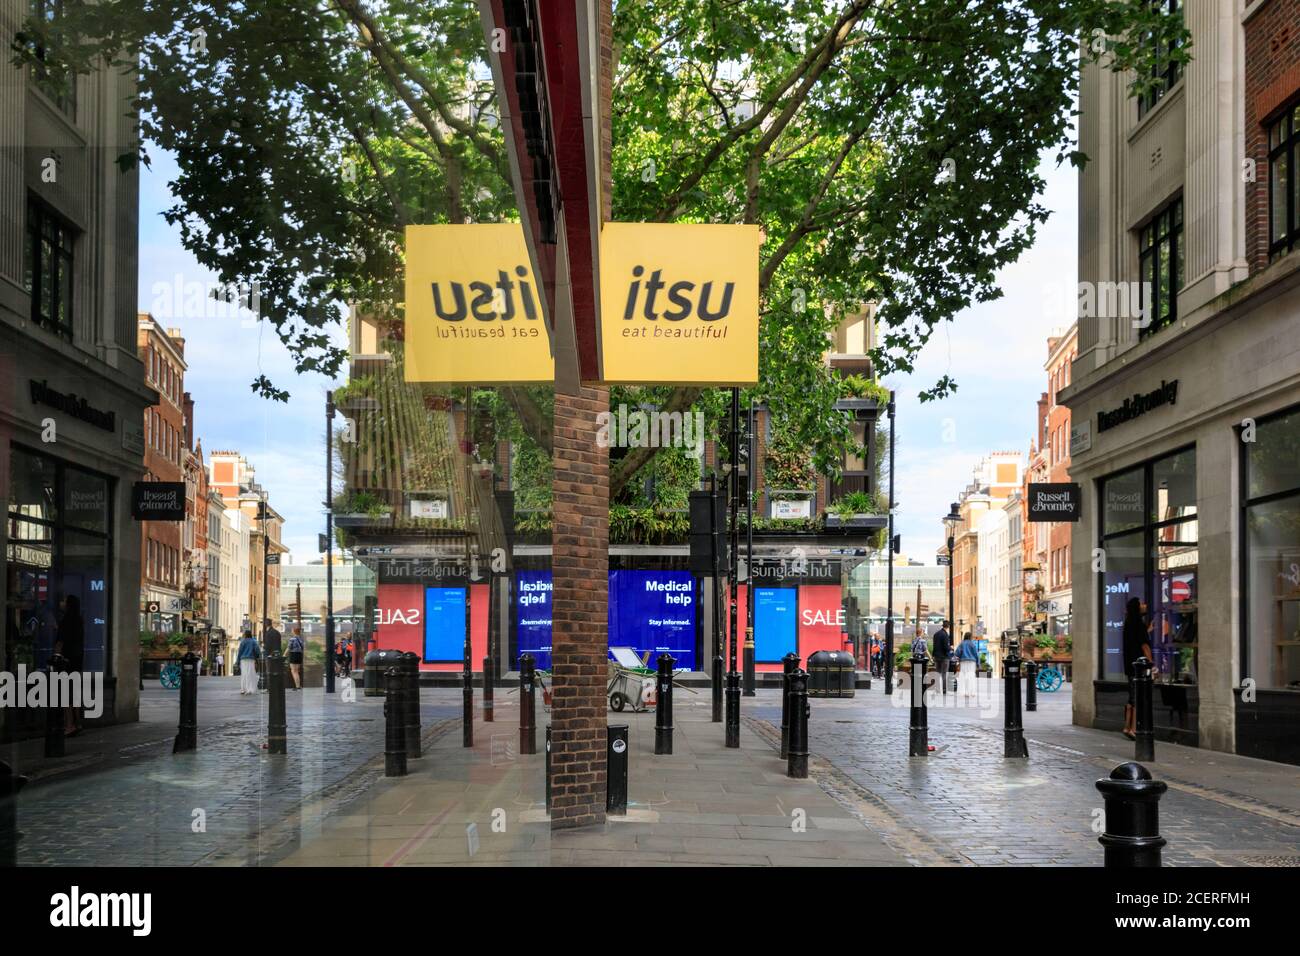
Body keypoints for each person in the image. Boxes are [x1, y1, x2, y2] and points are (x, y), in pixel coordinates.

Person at [1121, 597, 1153, 740]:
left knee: (1132, 696)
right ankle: (1134, 729)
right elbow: (1144, 646)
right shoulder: (1139, 625)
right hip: (1140, 666)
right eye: (1142, 603)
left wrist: (1148, 630)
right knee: (1138, 698)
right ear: (1137, 608)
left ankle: (1127, 726)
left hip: (1129, 665)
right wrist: (1151, 663)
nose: (1145, 605)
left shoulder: (1128, 624)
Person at [55, 595, 85, 736]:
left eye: (63, 601)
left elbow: (60, 641)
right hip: (77, 660)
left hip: (66, 660)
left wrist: (56, 656)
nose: (61, 603)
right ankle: (77, 722)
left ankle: (69, 724)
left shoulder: (65, 621)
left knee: (65, 694)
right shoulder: (79, 620)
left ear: (68, 605)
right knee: (75, 693)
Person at [957, 632, 981, 700]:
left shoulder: (962, 643)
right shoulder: (972, 644)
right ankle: (971, 692)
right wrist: (978, 664)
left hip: (963, 662)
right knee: (971, 676)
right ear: (970, 637)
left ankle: (963, 692)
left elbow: (957, 653)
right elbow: (976, 654)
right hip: (971, 662)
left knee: (963, 676)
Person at [932, 620, 953, 696]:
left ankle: (937, 690)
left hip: (937, 656)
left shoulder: (936, 634)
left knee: (937, 673)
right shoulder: (945, 635)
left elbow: (934, 645)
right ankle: (944, 690)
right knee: (944, 674)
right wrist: (950, 648)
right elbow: (946, 647)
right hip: (944, 657)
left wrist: (933, 655)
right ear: (948, 626)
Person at [237, 629, 260, 695]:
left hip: (243, 660)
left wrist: (238, 661)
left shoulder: (243, 641)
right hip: (251, 659)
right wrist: (257, 656)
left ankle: (243, 689)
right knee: (251, 674)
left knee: (244, 674)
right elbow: (257, 650)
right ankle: (250, 689)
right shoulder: (254, 641)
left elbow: (240, 652)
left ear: (245, 635)